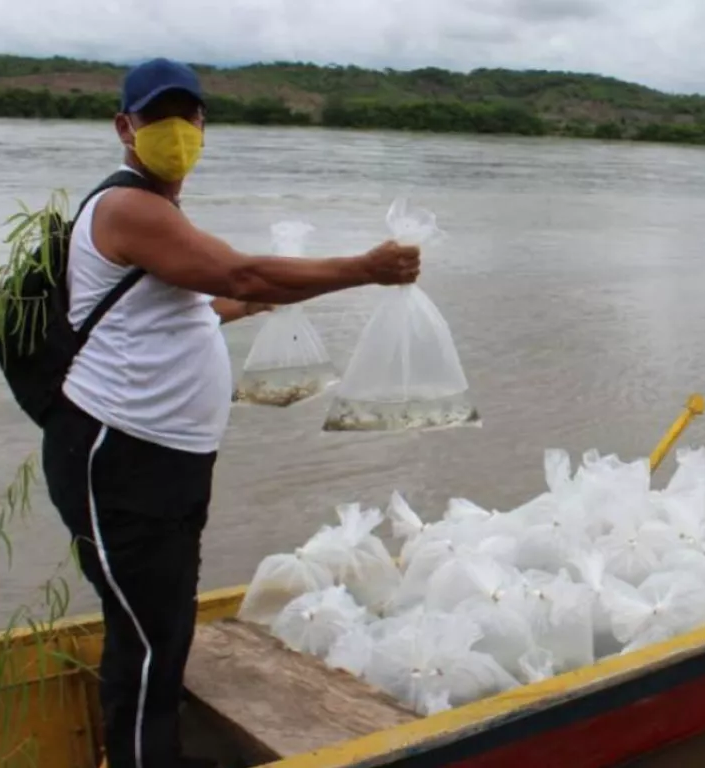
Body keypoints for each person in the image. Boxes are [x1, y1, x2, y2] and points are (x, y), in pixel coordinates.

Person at [39, 58, 420, 768]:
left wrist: (252, 303)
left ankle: (150, 754)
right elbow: (240, 270)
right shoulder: (128, 206)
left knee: (161, 624)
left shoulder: (161, 214)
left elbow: (202, 302)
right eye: (159, 118)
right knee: (152, 635)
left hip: (165, 460)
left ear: (204, 127)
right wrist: (364, 268)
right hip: (116, 455)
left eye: (189, 117)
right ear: (125, 128)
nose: (176, 132)